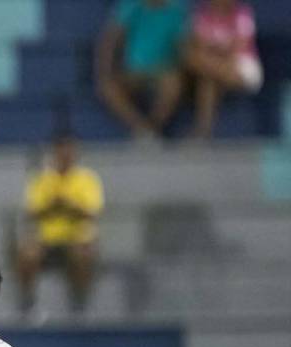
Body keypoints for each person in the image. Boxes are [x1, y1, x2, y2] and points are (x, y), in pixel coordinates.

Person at [15, 134, 104, 318]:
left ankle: (80, 301)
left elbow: (92, 213)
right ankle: (27, 301)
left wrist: (68, 205)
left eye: (69, 152)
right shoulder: (41, 179)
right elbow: (32, 213)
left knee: (83, 254)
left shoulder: (87, 179)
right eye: (61, 152)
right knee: (27, 253)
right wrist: (52, 205)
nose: (65, 156)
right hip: (47, 240)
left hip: (77, 239)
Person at [97, 0, 189, 139]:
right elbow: (111, 40)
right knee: (107, 86)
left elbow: (183, 46)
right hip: (133, 71)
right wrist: (105, 69)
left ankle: (153, 126)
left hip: (164, 70)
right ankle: (142, 128)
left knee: (173, 85)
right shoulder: (130, 6)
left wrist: (179, 68)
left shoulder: (177, 10)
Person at [184, 0, 263, 139]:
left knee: (204, 68)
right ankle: (203, 131)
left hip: (242, 65)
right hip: (215, 67)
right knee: (207, 81)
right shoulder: (203, 16)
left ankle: (202, 131)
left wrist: (213, 54)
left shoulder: (242, 15)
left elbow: (239, 47)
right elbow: (198, 46)